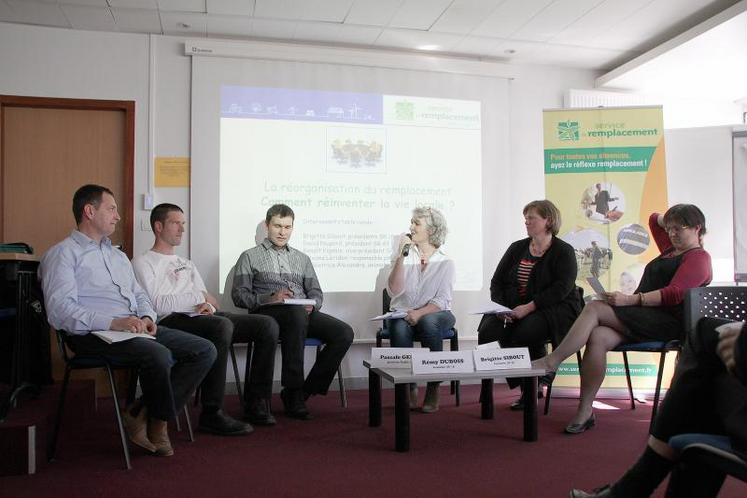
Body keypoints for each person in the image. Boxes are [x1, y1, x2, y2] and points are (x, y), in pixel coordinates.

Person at [39, 185, 216, 457]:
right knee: (158, 353)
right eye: (111, 208)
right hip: (93, 334)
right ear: (89, 211)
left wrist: (147, 316)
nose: (118, 216)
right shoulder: (62, 254)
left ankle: (141, 413)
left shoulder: (118, 256)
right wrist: (112, 322)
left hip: (133, 329)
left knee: (204, 350)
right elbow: (60, 311)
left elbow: (139, 295)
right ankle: (160, 424)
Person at [533, 204, 713, 433]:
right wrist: (672, 219)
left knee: (596, 308)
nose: (672, 233)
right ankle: (585, 410)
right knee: (598, 335)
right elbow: (653, 218)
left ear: (698, 228)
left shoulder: (699, 258)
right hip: (643, 317)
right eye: (670, 229)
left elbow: (674, 293)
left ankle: (552, 361)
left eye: (679, 229)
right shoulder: (670, 248)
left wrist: (630, 300)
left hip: (667, 324)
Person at [132, 203, 280, 434]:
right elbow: (156, 304)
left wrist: (206, 304)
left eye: (183, 223)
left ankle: (256, 403)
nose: (182, 229)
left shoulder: (187, 263)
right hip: (169, 321)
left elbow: (211, 301)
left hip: (199, 317)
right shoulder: (143, 262)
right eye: (175, 223)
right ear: (158, 226)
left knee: (266, 325)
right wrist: (198, 297)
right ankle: (213, 412)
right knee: (221, 326)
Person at [570, 317, 747, 497]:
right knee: (710, 350)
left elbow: (676, 292)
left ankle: (632, 487)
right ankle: (632, 487)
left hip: (662, 316)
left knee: (707, 336)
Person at [231, 204, 354, 420]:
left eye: (288, 227)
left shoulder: (302, 259)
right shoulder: (249, 256)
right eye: (278, 226)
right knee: (295, 316)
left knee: (344, 333)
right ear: (268, 225)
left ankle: (304, 391)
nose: (282, 232)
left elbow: (317, 293)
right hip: (268, 313)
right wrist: (269, 298)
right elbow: (239, 296)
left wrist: (313, 304)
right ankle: (293, 390)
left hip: (301, 312)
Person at [478, 200, 582, 409]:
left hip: (554, 308)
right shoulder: (517, 248)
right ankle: (491, 388)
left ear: (548, 220)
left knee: (525, 331)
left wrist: (528, 307)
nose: (526, 222)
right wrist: (502, 309)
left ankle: (530, 387)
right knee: (487, 331)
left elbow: (561, 289)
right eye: (525, 218)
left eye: (531, 218)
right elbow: (497, 282)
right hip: (513, 307)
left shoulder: (564, 251)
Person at [386, 207, 456, 413]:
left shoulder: (446, 260)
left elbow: (442, 300)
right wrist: (400, 256)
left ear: (432, 230)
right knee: (398, 328)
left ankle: (433, 386)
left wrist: (419, 313)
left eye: (417, 223)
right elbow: (394, 291)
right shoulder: (404, 255)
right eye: (412, 222)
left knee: (428, 322)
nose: (411, 227)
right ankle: (409, 387)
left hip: (437, 313)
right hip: (403, 311)